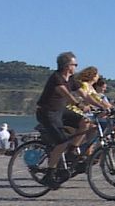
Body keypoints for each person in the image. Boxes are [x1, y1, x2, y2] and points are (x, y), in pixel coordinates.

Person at [35, 51, 91, 187]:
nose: (76, 67)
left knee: (86, 122)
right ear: (67, 65)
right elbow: (66, 95)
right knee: (61, 142)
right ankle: (49, 174)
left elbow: (85, 95)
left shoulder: (71, 79)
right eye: (75, 64)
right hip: (47, 113)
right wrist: (79, 104)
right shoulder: (57, 78)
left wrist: (104, 106)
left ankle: (72, 151)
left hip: (60, 112)